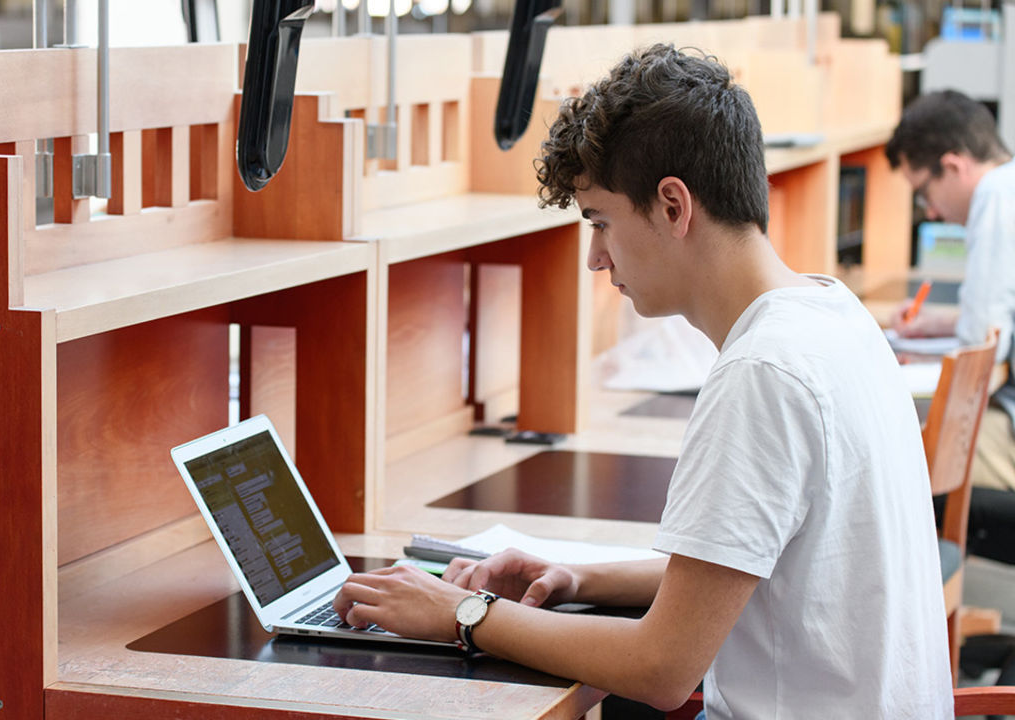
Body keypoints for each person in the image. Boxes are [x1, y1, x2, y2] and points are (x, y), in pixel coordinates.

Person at [332, 44, 953, 718]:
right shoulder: (833, 315)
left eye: (601, 222)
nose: (596, 257)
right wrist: (577, 577)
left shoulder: (761, 375)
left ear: (672, 206)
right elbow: (753, 565)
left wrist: (464, 613)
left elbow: (661, 667)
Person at [886, 90, 1015, 563]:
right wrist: (936, 322)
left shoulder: (996, 200)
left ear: (955, 166)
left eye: (925, 192)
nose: (933, 212)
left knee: (894, 460)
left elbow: (985, 344)